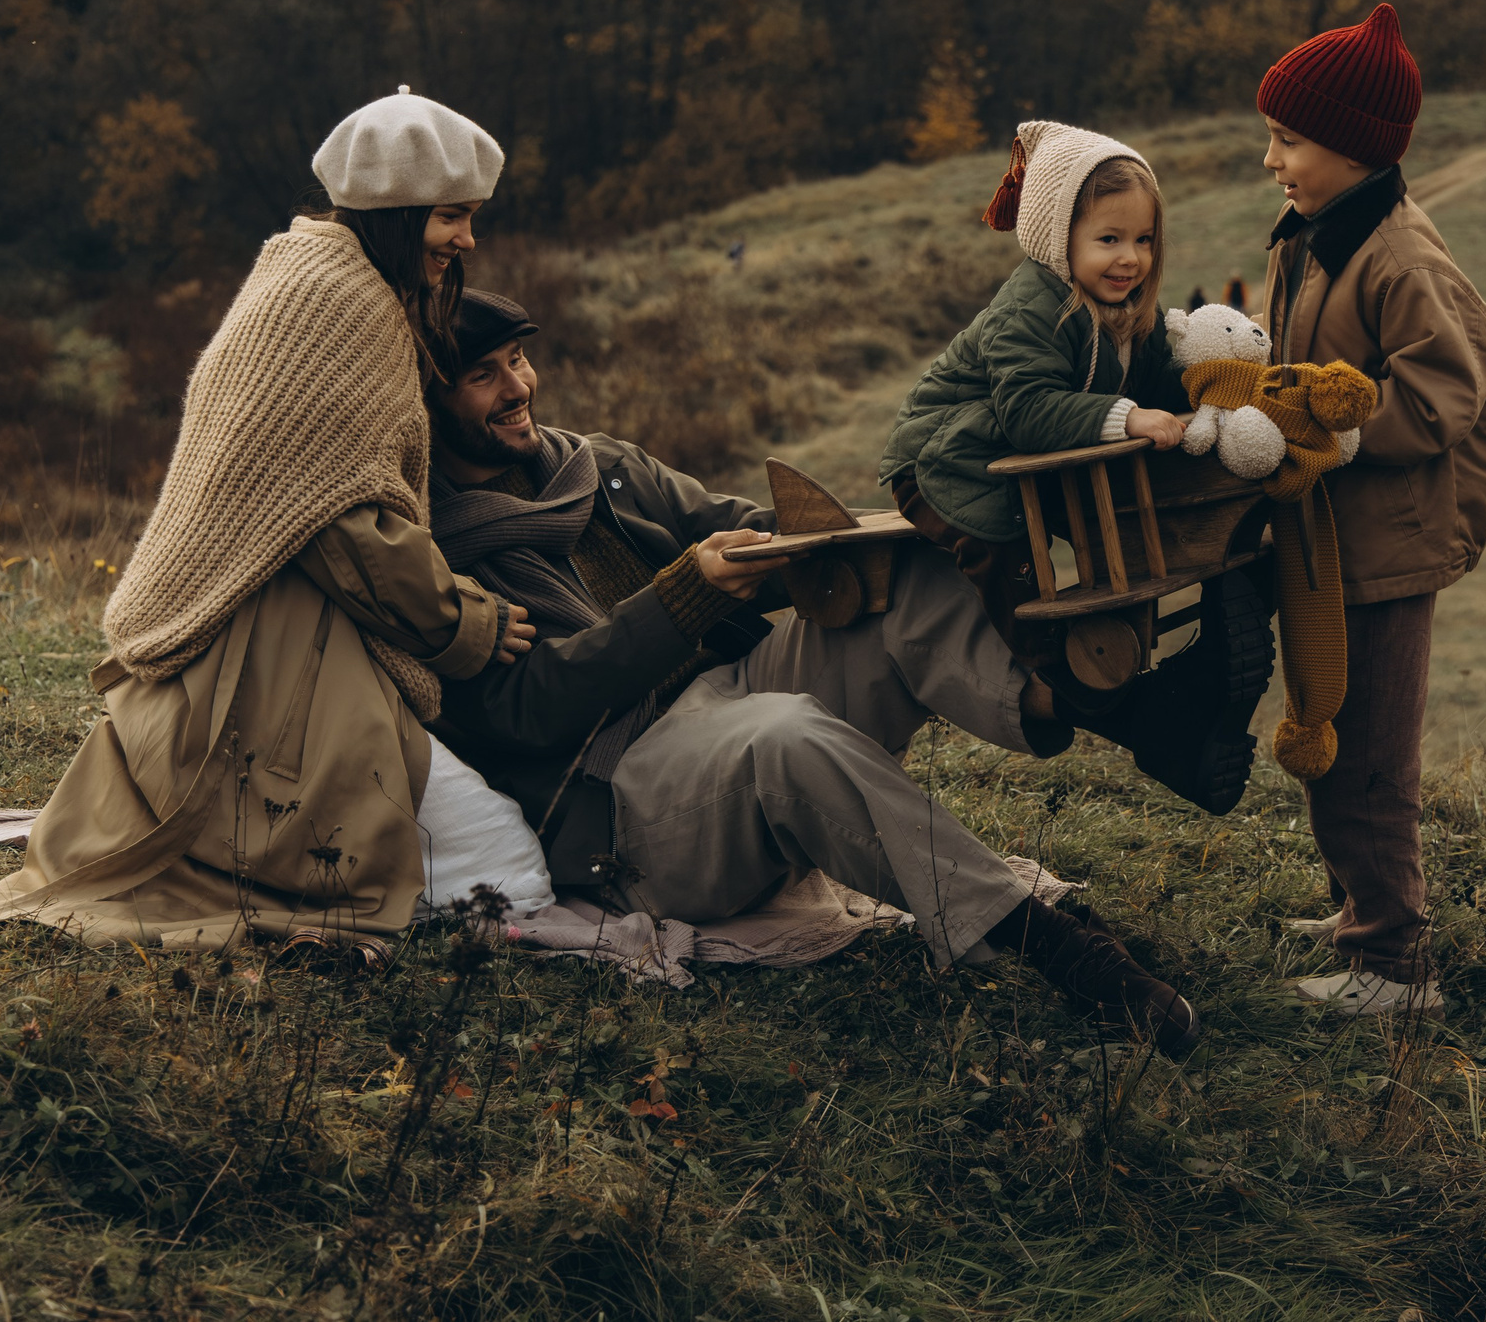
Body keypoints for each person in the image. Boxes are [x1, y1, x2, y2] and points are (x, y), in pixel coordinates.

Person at [423, 291, 1203, 1055]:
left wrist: (839, 538)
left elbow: (730, 528)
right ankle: (1054, 946)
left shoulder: (594, 465)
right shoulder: (434, 557)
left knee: (907, 584)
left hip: (723, 689)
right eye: (484, 376)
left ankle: (1117, 711)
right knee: (785, 733)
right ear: (432, 394)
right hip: (629, 795)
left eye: (519, 360)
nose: (518, 387)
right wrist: (683, 597)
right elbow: (524, 711)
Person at [0, 89, 539, 960]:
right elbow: (351, 527)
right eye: (451, 216)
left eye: (471, 216)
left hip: (268, 617)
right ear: (398, 209)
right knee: (509, 869)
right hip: (267, 650)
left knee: (466, 851)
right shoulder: (344, 307)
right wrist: (467, 623)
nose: (466, 240)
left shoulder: (309, 270)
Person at [877, 121, 1272, 815]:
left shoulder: (1126, 312)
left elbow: (1159, 389)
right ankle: (1058, 668)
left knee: (1118, 502)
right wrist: (1126, 417)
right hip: (949, 461)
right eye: (1109, 240)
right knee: (1003, 550)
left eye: (1143, 240)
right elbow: (1029, 408)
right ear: (1057, 241)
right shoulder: (1029, 308)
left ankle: (1164, 639)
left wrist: (1219, 393)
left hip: (1028, 457)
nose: (1130, 259)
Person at [1252, 6, 1486, 1016]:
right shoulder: (1318, 238)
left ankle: (1393, 963)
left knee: (1370, 756)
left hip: (1387, 544)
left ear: (1355, 147)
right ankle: (1355, 902)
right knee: (1323, 723)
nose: (1271, 158)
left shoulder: (1400, 259)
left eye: (1289, 139)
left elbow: (1449, 390)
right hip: (1326, 539)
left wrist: (1340, 438)